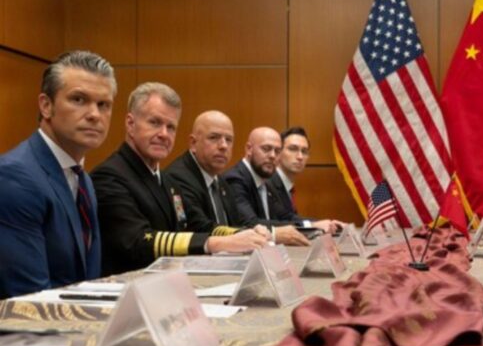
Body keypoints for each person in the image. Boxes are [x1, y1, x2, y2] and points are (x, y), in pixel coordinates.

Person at [93, 83, 269, 276]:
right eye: (154, 123)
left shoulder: (167, 181)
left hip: (168, 283)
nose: (164, 134)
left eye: (171, 127)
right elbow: (137, 241)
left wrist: (243, 234)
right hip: (129, 287)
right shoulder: (109, 176)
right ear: (130, 123)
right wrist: (216, 243)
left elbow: (198, 225)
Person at [0, 51, 115, 298]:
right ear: (46, 105)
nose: (94, 114)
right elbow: (31, 299)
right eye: (78, 99)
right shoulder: (15, 178)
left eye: (103, 105)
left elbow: (88, 280)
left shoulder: (83, 179)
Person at [164, 112, 309, 245]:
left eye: (229, 140)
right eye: (214, 137)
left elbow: (236, 223)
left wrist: (254, 232)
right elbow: (199, 227)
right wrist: (268, 234)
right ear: (193, 143)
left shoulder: (219, 181)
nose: (223, 146)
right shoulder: (179, 177)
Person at [266, 126, 342, 234]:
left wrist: (327, 223)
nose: (300, 157)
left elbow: (291, 218)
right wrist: (313, 224)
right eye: (293, 149)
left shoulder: (287, 186)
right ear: (278, 153)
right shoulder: (267, 184)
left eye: (304, 151)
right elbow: (280, 222)